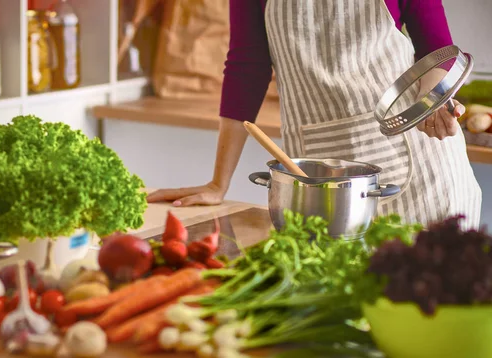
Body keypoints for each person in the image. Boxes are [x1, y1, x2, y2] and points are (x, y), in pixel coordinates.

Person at [147, 0, 482, 228]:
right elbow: (246, 67)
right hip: (321, 178)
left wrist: (431, 100)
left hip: (423, 167)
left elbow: (437, 50)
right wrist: (218, 183)